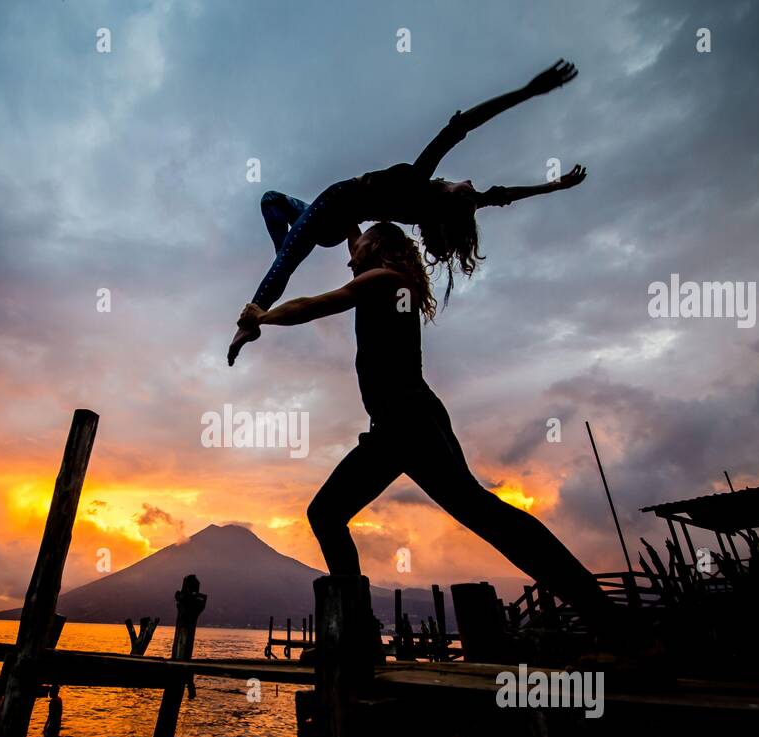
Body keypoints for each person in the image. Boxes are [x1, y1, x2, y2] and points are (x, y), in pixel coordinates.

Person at [231, 221, 617, 631]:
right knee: (478, 514)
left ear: (377, 246)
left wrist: (263, 315)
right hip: (406, 421)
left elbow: (316, 305)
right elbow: (354, 242)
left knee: (335, 514)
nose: (349, 255)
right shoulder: (389, 279)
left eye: (357, 247)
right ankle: (358, 636)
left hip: (406, 422)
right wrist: (346, 222)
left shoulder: (384, 279)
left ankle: (617, 627)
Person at [229, 59, 585, 367]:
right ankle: (285, 249)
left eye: (468, 190)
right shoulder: (449, 203)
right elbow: (506, 195)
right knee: (272, 202)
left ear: (451, 200)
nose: (471, 183)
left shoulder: (420, 183)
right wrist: (553, 186)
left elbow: (463, 127)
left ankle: (251, 319)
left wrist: (528, 91)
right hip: (344, 223)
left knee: (285, 247)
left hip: (334, 206)